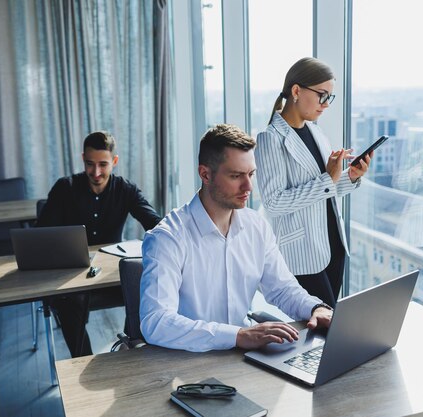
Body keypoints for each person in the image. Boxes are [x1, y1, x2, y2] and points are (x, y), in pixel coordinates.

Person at [139, 124, 333, 352]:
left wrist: (316, 308)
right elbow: (156, 322)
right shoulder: (167, 238)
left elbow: (282, 288)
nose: (248, 186)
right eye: (236, 176)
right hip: (187, 360)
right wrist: (237, 335)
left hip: (244, 358)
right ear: (205, 174)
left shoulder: (256, 226)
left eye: (251, 174)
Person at [255, 57, 371, 308]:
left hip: (332, 245)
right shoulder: (270, 139)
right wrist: (327, 179)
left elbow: (324, 189)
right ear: (296, 91)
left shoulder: (315, 131)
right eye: (322, 95)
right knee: (324, 324)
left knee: (325, 328)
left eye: (330, 97)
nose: (326, 104)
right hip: (302, 253)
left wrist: (349, 177)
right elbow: (274, 202)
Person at [38, 131, 161, 357]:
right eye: (90, 164)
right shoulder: (65, 188)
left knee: (145, 287)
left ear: (114, 161)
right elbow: (42, 236)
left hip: (112, 277)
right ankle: (82, 363)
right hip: (71, 278)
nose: (96, 173)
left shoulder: (126, 189)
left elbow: (154, 223)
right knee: (68, 302)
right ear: (82, 158)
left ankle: (128, 351)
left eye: (103, 165)